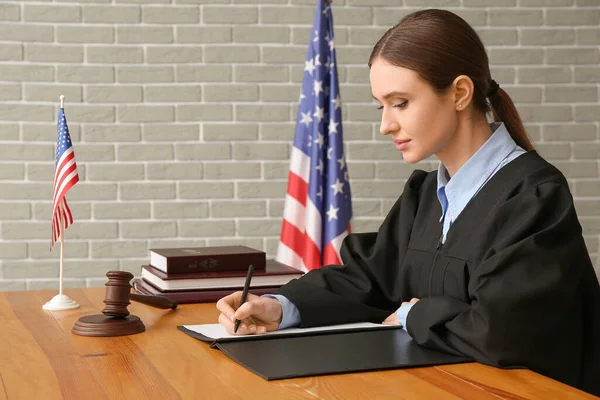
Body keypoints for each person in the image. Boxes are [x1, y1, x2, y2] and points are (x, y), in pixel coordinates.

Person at [216, 8, 600, 396]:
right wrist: (279, 307)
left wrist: (412, 313)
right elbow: (368, 279)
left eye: (400, 102)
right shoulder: (424, 197)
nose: (386, 124)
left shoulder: (533, 197)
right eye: (380, 105)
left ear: (460, 93)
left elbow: (502, 330)